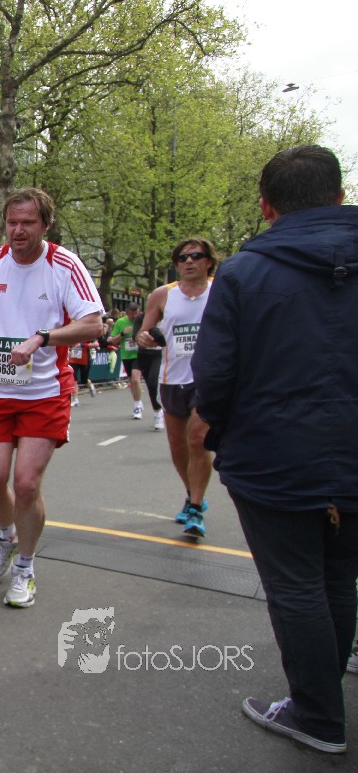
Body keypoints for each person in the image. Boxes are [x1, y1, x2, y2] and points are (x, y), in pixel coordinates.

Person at [193, 145, 358, 755]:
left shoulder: (243, 272)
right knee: (339, 577)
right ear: (339, 195)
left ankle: (317, 713)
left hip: (274, 452)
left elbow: (215, 374)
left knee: (295, 585)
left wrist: (222, 430)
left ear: (265, 207)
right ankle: (323, 696)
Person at [0, 188, 103, 608]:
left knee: (25, 484)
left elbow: (93, 324)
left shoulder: (64, 265)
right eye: (12, 222)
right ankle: (7, 535)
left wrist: (42, 337)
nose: (18, 230)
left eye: (28, 223)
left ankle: (25, 566)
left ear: (46, 225)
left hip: (44, 392)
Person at [136, 237, 218, 538]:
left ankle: (195, 508)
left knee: (197, 440)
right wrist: (145, 338)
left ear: (208, 261)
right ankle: (192, 493)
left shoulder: (220, 290)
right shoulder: (162, 295)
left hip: (206, 378)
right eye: (182, 258)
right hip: (172, 378)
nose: (189, 262)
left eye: (196, 256)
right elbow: (144, 333)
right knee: (178, 448)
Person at [108, 303, 145, 418]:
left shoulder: (143, 321)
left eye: (136, 313)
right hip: (126, 355)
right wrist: (123, 334)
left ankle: (137, 406)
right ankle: (138, 401)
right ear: (127, 312)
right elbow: (113, 341)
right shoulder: (120, 322)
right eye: (131, 314)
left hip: (139, 354)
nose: (134, 316)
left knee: (135, 379)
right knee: (132, 382)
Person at [133, 308, 165, 431]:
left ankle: (159, 412)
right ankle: (157, 410)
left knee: (153, 382)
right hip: (144, 354)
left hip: (159, 354)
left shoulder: (168, 316)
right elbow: (135, 336)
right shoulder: (141, 318)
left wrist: (159, 339)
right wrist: (142, 337)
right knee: (150, 385)